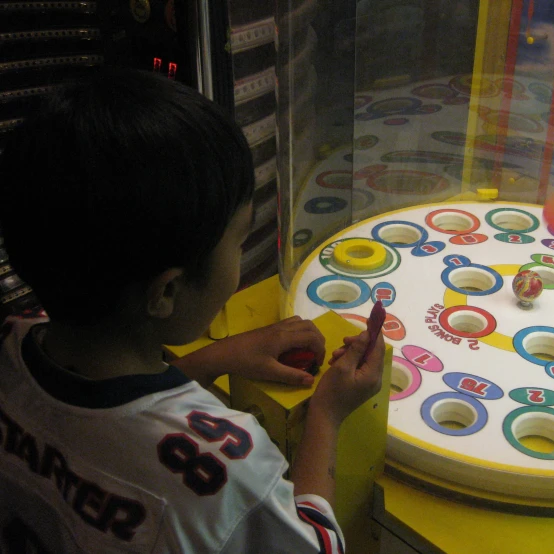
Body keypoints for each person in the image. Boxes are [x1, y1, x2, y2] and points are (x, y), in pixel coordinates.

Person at [0, 68, 385, 553]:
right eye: (239, 240)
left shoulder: (12, 344)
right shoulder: (224, 472)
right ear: (166, 293)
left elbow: (97, 417)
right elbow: (317, 546)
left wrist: (216, 358)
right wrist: (327, 415)